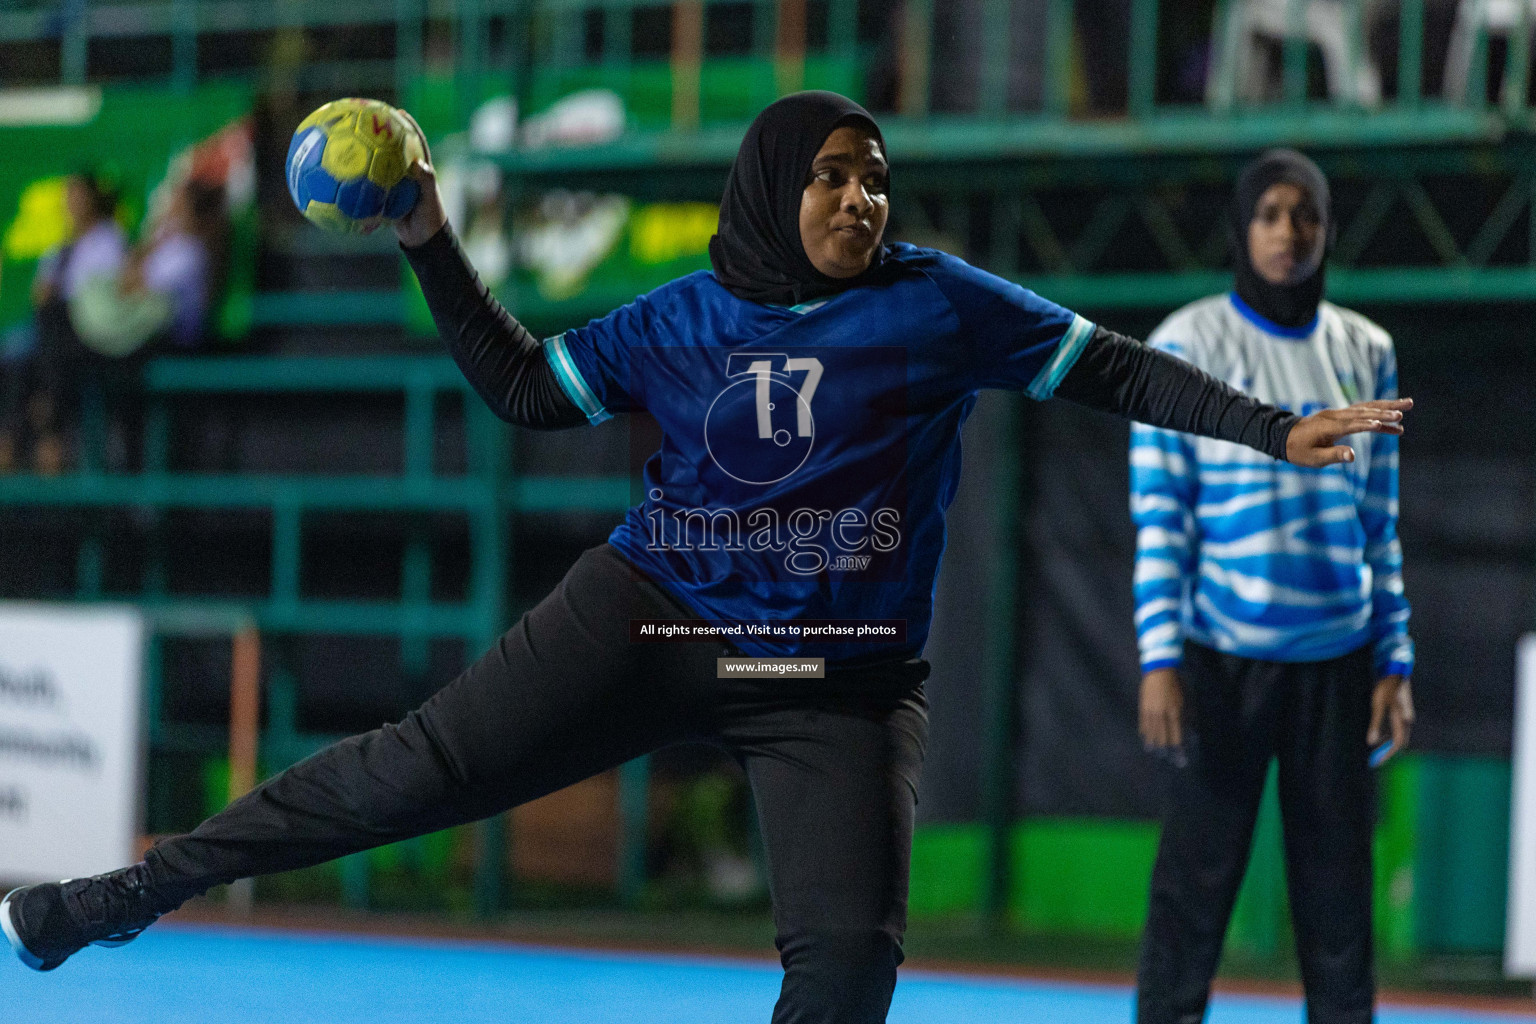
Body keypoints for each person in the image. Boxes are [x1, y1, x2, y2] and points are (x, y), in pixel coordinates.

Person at [2, 95, 1408, 1024]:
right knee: (403, 776)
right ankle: (103, 904)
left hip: (838, 684)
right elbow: (524, 391)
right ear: (770, 187)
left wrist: (1272, 429)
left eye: (877, 181)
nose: (863, 200)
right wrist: (427, 235)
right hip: (656, 613)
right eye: (834, 177)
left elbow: (1113, 371)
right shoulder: (681, 317)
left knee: (850, 969)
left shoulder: (938, 305)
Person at [1130, 150, 1415, 1024]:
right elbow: (1161, 516)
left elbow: (1381, 519)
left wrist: (1393, 657)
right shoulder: (1186, 344)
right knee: (1193, 892)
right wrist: (1160, 658)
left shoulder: (1367, 351)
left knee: (1338, 902)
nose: (1289, 233)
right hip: (1219, 664)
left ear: (1326, 232)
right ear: (1241, 225)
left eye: (1307, 217)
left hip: (1339, 663)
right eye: (1271, 214)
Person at [0, 168, 127, 474]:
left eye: (77, 194)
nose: (71, 202)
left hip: (83, 334)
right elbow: (41, 294)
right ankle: (16, 437)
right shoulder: (58, 249)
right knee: (17, 353)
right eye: (68, 195)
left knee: (49, 338)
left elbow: (99, 296)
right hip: (50, 334)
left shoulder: (109, 240)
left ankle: (51, 434)